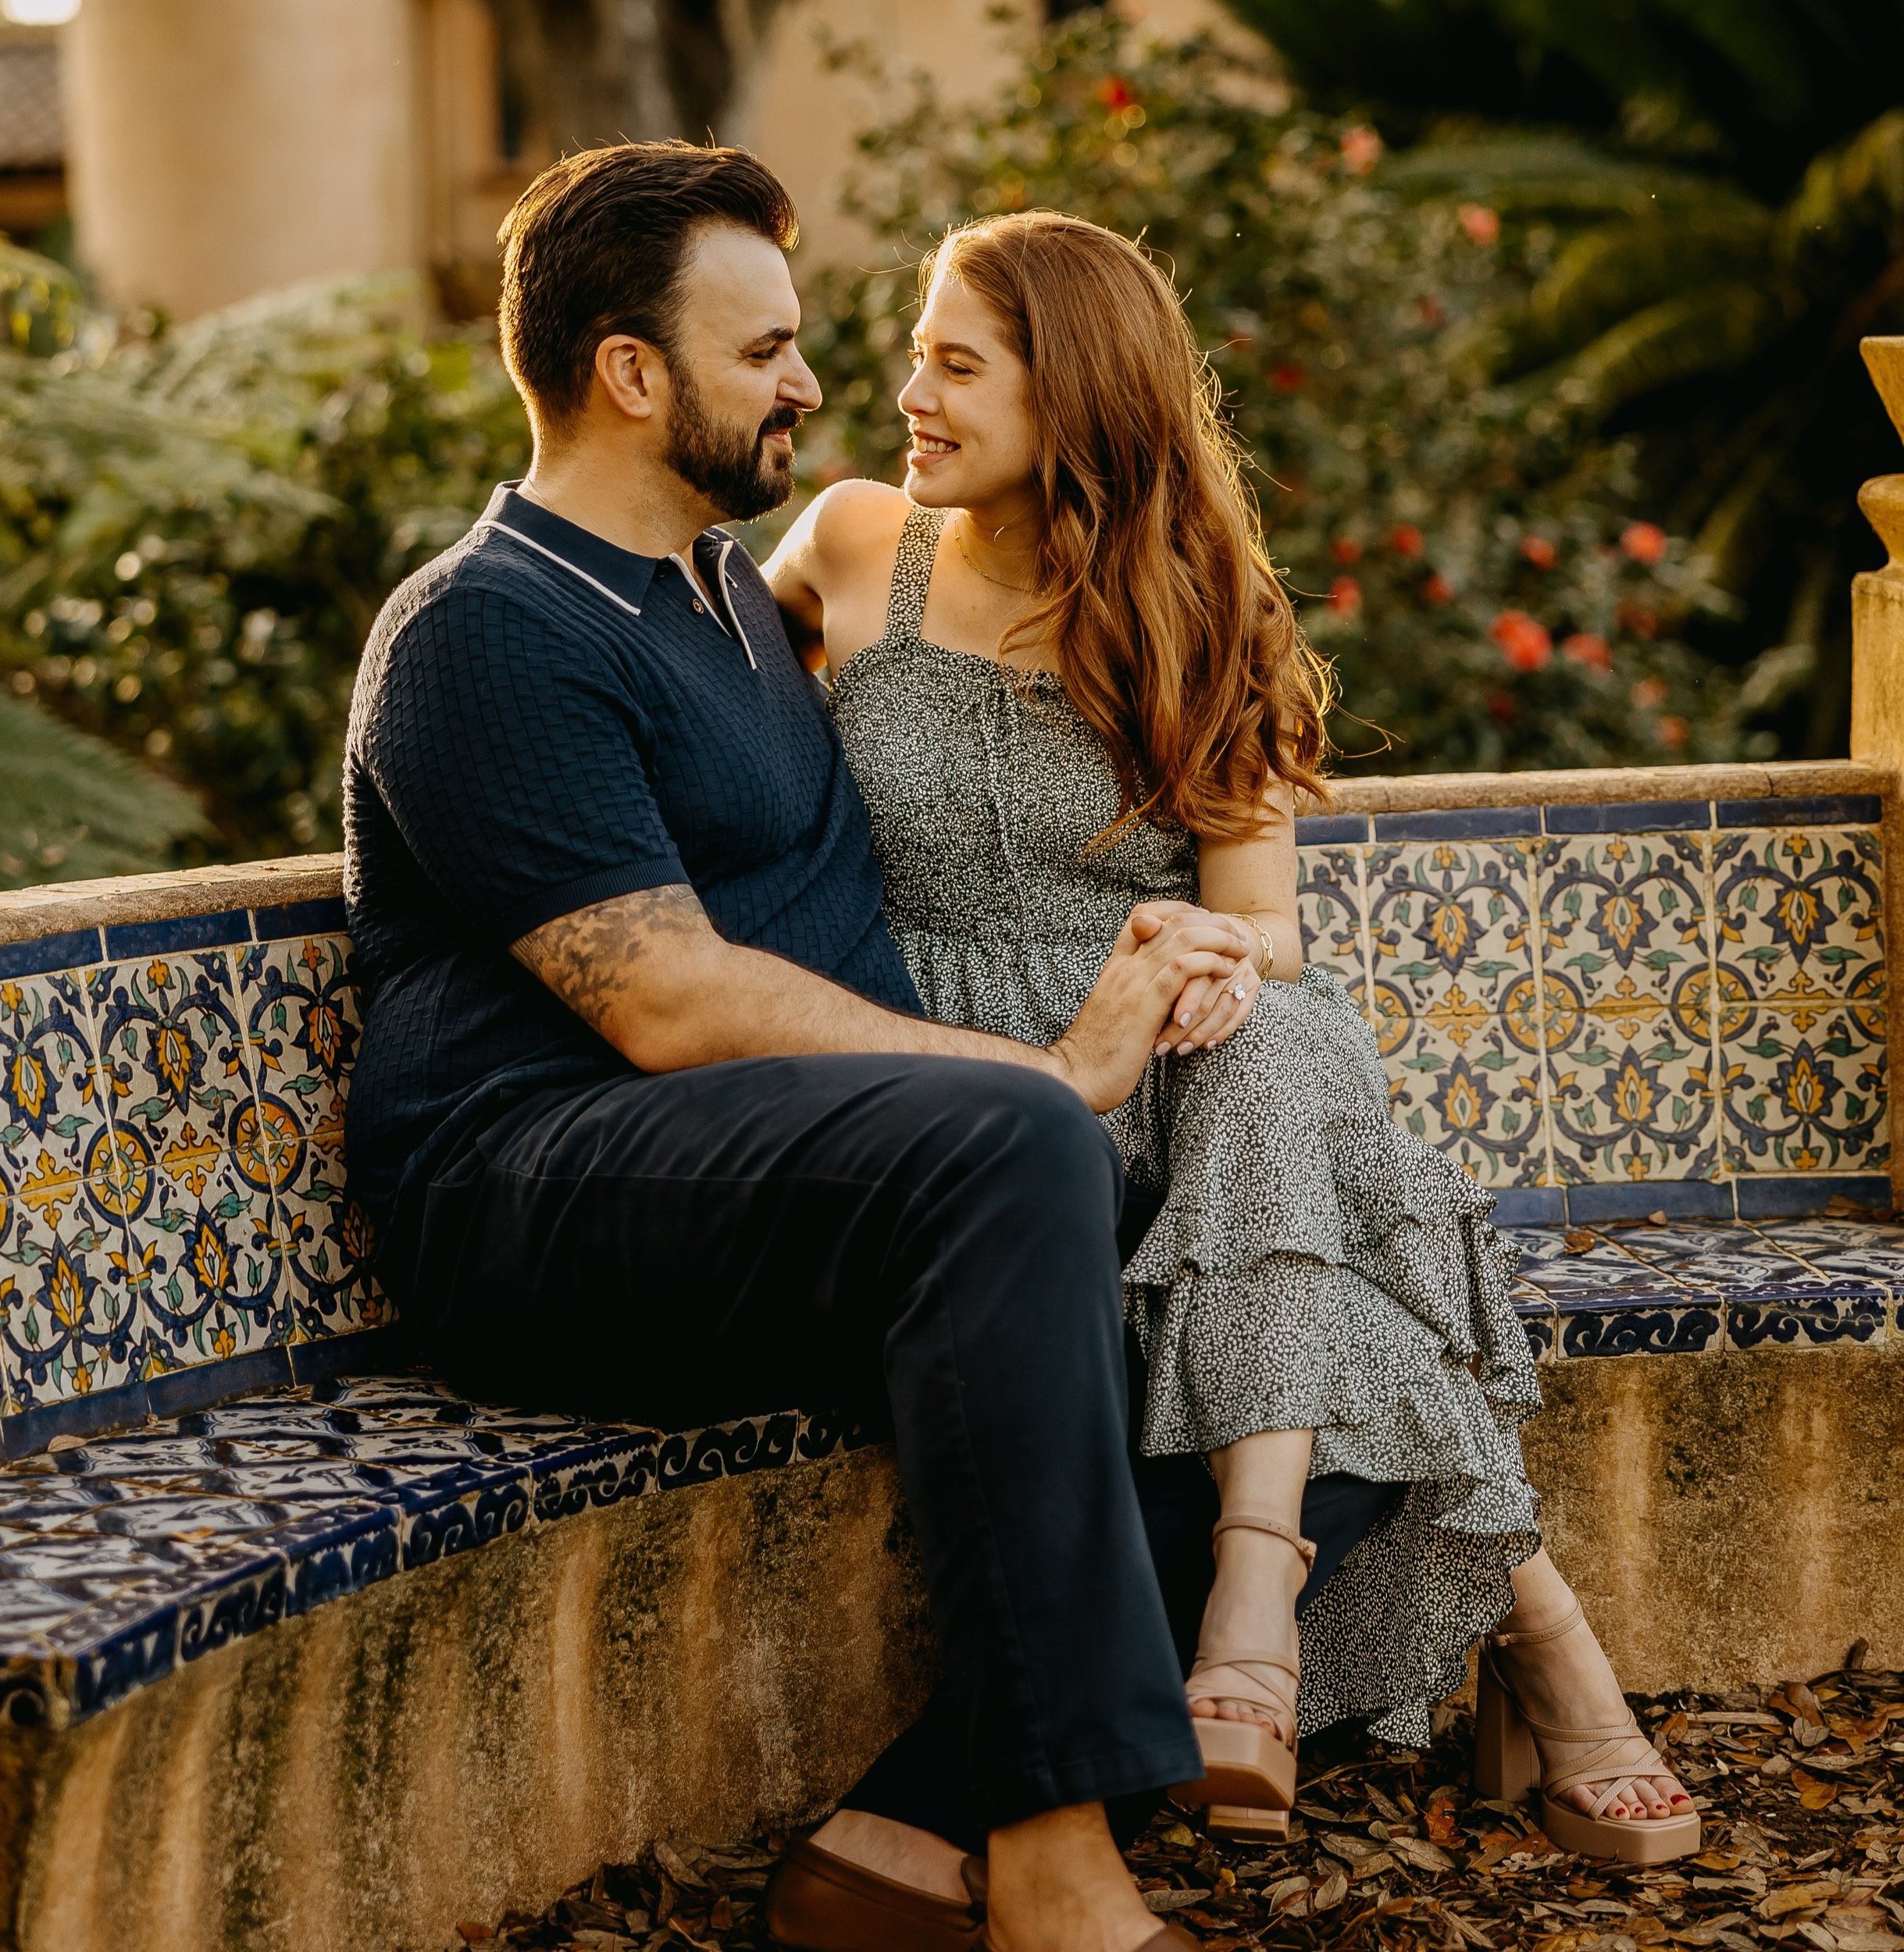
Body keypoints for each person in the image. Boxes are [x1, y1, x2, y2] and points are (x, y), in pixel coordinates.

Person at [343, 140, 1392, 1952]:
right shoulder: (485, 631)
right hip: (542, 1185)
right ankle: (1058, 1871)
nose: (818, 384)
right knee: (1020, 1147)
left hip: (785, 1173)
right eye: (767, 349)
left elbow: (1015, 678)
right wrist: (1040, 1072)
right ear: (629, 372)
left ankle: (907, 1830)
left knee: (1333, 1363)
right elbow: (662, 998)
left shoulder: (734, 606)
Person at [766, 209, 1702, 1871]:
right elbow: (698, 716)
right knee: (1336, 1260)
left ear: (1073, 395)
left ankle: (1251, 1603)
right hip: (962, 1091)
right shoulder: (845, 548)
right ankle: (1533, 1639)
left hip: (1170, 1077)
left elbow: (1261, 920)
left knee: (1271, 1035)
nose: (906, 389)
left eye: (955, 363)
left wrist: (1197, 955)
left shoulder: (1198, 607)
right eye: (914, 349)